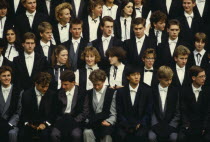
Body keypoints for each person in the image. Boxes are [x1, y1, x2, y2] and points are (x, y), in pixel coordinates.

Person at [116, 65, 152, 142]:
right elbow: (119, 112)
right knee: (120, 135)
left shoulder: (147, 91)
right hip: (125, 125)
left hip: (140, 125)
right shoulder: (120, 92)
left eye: (138, 74)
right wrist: (126, 125)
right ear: (128, 77)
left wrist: (141, 123)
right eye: (133, 75)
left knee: (141, 136)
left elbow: (148, 111)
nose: (136, 77)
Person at [51, 70, 88, 142]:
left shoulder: (82, 93)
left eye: (65, 84)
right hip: (61, 121)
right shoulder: (58, 93)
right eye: (62, 84)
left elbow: (85, 112)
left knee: (76, 135)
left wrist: (73, 121)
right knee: (54, 134)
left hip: (75, 121)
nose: (63, 86)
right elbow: (54, 111)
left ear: (73, 83)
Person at [19, 72, 57, 142]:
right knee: (22, 135)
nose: (45, 89)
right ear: (36, 84)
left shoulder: (52, 95)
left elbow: (53, 113)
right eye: (43, 86)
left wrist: (45, 124)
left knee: (46, 135)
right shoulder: (26, 94)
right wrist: (28, 123)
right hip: (30, 124)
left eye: (47, 86)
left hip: (45, 124)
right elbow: (23, 113)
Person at [83, 69, 116, 142]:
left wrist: (109, 121)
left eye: (99, 84)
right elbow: (86, 112)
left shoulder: (112, 93)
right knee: (86, 132)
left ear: (104, 82)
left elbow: (113, 113)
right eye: (94, 84)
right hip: (93, 122)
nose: (96, 87)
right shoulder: (89, 93)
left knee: (107, 134)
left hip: (106, 122)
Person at [179, 66, 210, 142]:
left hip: (203, 126)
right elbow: (183, 111)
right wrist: (187, 126)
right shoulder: (184, 91)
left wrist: (204, 127)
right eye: (201, 76)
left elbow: (208, 112)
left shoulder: (207, 91)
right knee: (181, 138)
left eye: (204, 76)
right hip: (188, 125)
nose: (204, 78)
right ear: (193, 78)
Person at [149, 66, 180, 142]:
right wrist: (155, 125)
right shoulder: (152, 91)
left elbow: (177, 112)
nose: (169, 82)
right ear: (159, 78)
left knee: (173, 138)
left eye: (170, 79)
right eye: (166, 80)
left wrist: (171, 126)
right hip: (155, 125)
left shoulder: (175, 92)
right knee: (151, 138)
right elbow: (151, 111)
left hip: (170, 125)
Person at [0, 66, 22, 142]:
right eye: (3, 76)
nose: (6, 78)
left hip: (12, 123)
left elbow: (19, 111)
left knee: (12, 133)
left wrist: (10, 124)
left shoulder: (18, 91)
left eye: (8, 75)